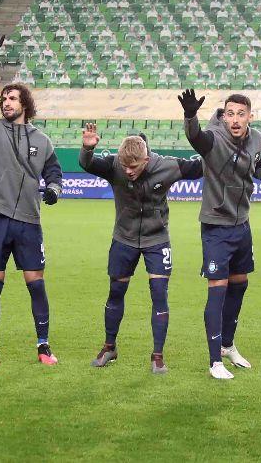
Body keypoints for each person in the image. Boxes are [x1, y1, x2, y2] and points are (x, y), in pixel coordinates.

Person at [0, 26, 65, 367]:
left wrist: (53, 189)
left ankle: (43, 346)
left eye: (12, 98)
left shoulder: (42, 139)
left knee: (35, 284)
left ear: (24, 103)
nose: (6, 102)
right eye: (4, 99)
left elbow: (54, 172)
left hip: (28, 220)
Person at [80, 126, 203, 374]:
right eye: (124, 166)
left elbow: (200, 167)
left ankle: (157, 356)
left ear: (146, 160)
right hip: (123, 239)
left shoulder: (167, 166)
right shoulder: (114, 165)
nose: (127, 171)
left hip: (157, 240)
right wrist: (88, 148)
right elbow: (87, 164)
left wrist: (212, 142)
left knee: (159, 294)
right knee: (116, 292)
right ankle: (109, 347)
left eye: (133, 167)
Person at [180, 89, 261, 379]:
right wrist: (190, 116)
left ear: (250, 117)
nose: (235, 120)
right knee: (218, 288)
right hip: (216, 225)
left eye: (241, 114)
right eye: (230, 114)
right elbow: (196, 138)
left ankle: (227, 345)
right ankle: (215, 362)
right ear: (223, 117)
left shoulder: (257, 138)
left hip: (242, 225)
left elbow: (257, 163)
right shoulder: (214, 138)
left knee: (240, 284)